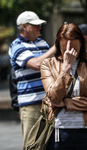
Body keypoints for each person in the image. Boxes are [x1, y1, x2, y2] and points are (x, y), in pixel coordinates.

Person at [40, 22, 87, 150]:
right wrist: (66, 68)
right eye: (64, 48)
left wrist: (66, 104)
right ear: (58, 44)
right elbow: (54, 98)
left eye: (74, 48)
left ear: (81, 43)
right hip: (61, 130)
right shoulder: (48, 64)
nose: (69, 52)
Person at [8, 11, 56, 150]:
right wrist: (55, 48)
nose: (39, 28)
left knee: (49, 144)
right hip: (30, 105)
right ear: (24, 26)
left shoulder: (43, 43)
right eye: (36, 25)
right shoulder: (16, 45)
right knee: (32, 145)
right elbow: (35, 64)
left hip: (48, 103)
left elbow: (52, 66)